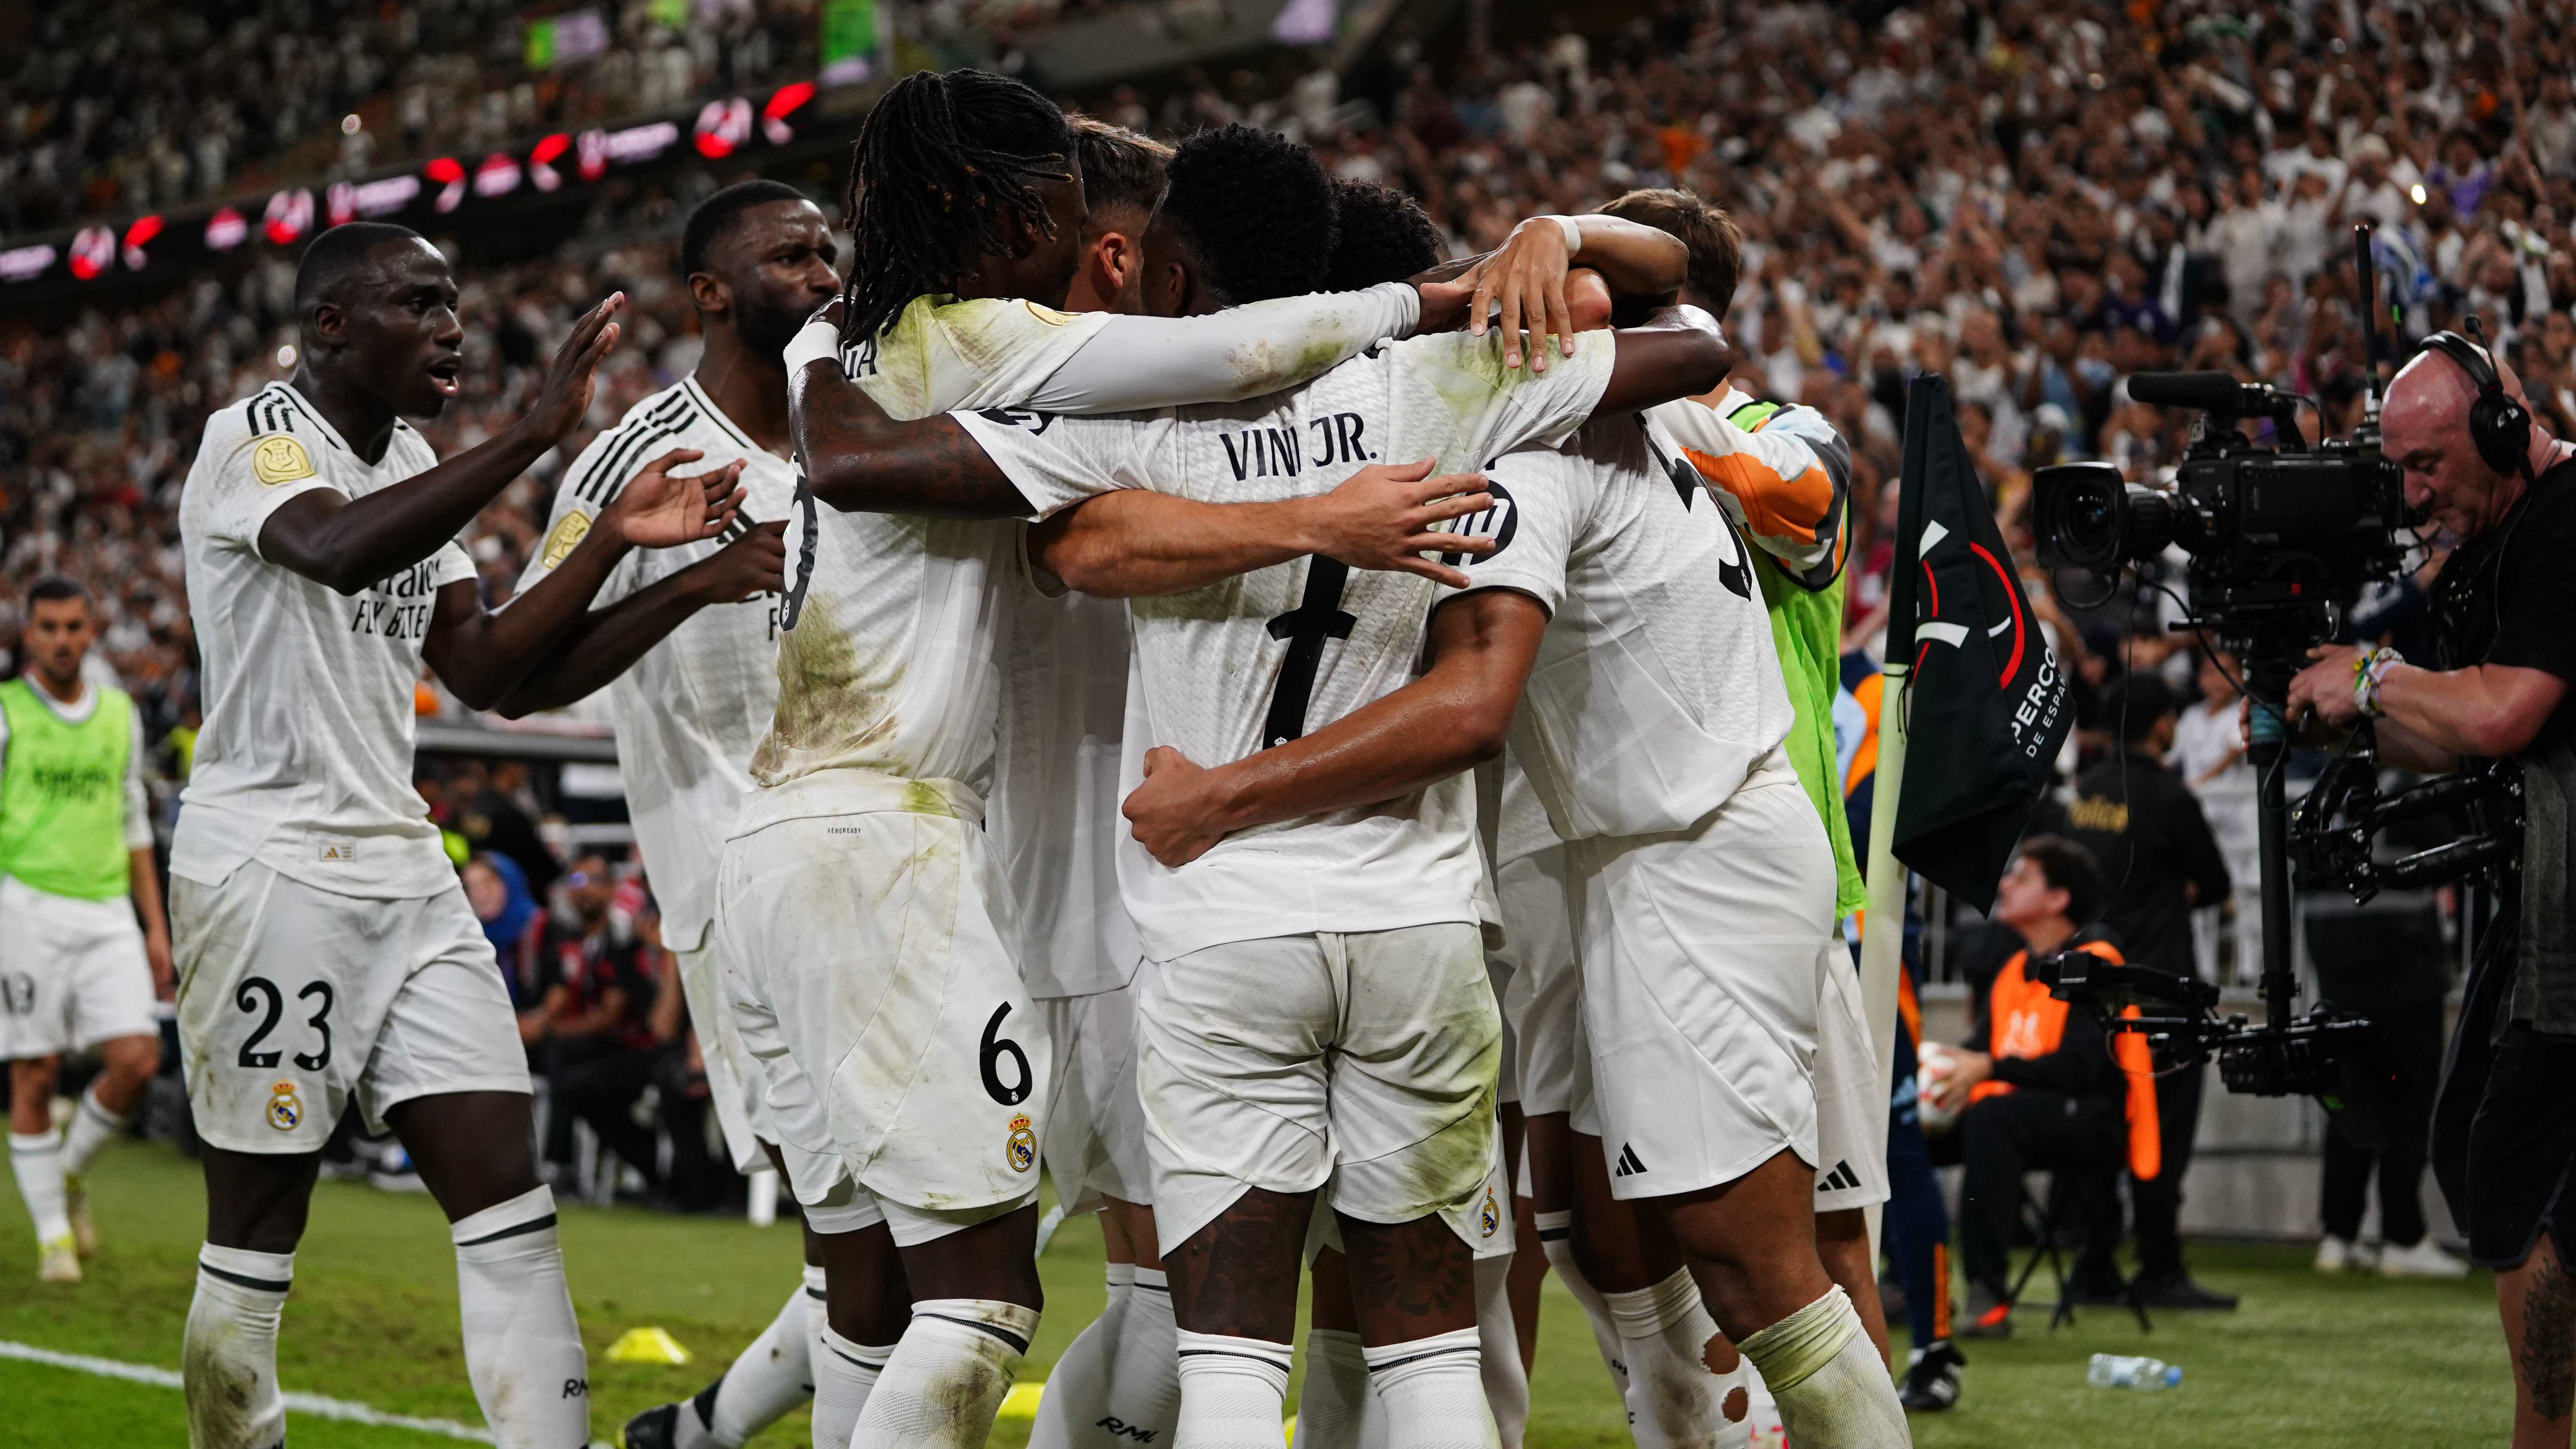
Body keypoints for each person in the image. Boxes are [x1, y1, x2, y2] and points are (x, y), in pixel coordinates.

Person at [781, 125, 1729, 1449]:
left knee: (1224, 1350)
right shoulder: (1450, 387)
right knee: (1428, 1350)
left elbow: (1057, 544)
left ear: (1167, 277)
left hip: (1216, 918)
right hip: (1415, 919)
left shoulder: (1123, 418)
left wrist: (823, 344)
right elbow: (1691, 335)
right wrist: (1551, 244)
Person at [721, 75, 1494, 1449]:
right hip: (1001, 876)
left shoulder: (856, 343)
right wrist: (1435, 305)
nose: (1095, 263)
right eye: (1073, 230)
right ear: (1034, 225)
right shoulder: (1015, 358)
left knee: (925, 1289)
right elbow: (1224, 370)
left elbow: (859, 450)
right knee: (1007, 1309)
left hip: (881, 851)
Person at [1100, 353, 1911, 1444]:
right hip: (1634, 857)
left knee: (1755, 1262)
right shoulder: (1642, 416)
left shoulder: (1531, 454)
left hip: (1693, 849)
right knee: (1607, 1239)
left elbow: (1471, 707)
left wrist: (1222, 797)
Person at [169, 219, 739, 1449]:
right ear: (331, 327)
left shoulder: (412, 458)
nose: (452, 326)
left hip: (405, 875)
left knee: (513, 1207)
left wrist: (651, 563)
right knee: (257, 1229)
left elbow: (488, 668)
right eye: (418, 304)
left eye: (454, 303)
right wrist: (535, 436)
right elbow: (328, 547)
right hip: (270, 863)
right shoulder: (255, 439)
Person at [486, 175, 820, 1449]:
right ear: (709, 293)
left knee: (917, 1232)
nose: (822, 270)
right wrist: (695, 585)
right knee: (874, 1236)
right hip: (738, 878)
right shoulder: (636, 454)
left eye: (827, 250)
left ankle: (696, 1433)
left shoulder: (855, 430)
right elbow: (518, 674)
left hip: (883, 863)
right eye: (786, 254)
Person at [2283, 335, 2576, 1446]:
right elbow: (2460, 746)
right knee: (2481, 1159)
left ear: (2505, 426)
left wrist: (2369, 676)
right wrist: (2332, 703)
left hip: (2566, 907)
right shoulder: (2492, 546)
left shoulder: (2567, 518)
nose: (2412, 494)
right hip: (2539, 892)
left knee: (2525, 1184)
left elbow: (2500, 714)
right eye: (2396, 467)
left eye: (2431, 464)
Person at [1, 576, 172, 1283]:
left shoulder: (119, 714)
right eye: (49, 627)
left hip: (107, 910)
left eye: (75, 626)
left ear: (92, 631)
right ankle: (52, 1240)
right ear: (28, 634)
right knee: (34, 1073)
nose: (63, 640)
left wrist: (155, 927)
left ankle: (66, 1176)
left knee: (137, 1060)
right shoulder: (8, 715)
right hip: (26, 905)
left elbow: (134, 821)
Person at [1922, 838, 2157, 1339]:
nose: (2004, 884)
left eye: (2022, 877)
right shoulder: (2013, 970)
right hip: (2020, 1114)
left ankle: (1987, 1296)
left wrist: (1989, 1067)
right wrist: (1938, 1070)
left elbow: (2083, 1067)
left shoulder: (2098, 960)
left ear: (2058, 899)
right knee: (1911, 1124)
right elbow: (1979, 1054)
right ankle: (1912, 1284)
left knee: (1992, 1118)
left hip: (2090, 1117)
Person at [2059, 671, 2238, 1311]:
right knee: (2161, 1132)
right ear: (2163, 724)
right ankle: (2159, 1266)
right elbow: (2215, 882)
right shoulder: (2169, 796)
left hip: (2097, 991)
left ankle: (2095, 1264)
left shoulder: (2085, 791)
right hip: (2160, 990)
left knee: (2105, 1129)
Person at [2169, 647, 2259, 984]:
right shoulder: (2191, 716)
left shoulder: (2244, 711)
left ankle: (2251, 971)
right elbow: (2171, 757)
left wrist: (2194, 784)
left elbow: (2233, 753)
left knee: (2248, 897)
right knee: (2202, 895)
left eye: (2226, 671)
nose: (2217, 680)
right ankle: (2203, 971)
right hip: (2202, 820)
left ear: (2239, 677)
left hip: (2239, 820)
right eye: (2209, 672)